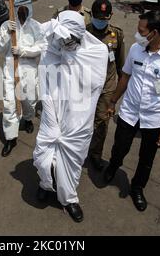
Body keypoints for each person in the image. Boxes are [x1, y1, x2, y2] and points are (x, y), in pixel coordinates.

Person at [103, 11, 160, 212]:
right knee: (119, 147)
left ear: (155, 33)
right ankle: (112, 167)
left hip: (155, 118)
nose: (137, 34)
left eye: (141, 31)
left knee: (146, 159)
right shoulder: (136, 49)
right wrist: (113, 101)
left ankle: (137, 188)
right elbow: (125, 77)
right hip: (129, 112)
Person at [33, 11, 108, 223]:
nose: (66, 44)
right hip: (53, 112)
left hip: (79, 116)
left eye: (70, 40)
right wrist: (51, 121)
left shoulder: (97, 52)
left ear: (80, 35)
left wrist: (69, 61)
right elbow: (45, 89)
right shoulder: (50, 52)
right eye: (62, 40)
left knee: (73, 161)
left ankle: (69, 199)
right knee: (43, 156)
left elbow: (95, 86)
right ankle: (46, 184)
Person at [0, 0, 44, 157]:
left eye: (25, 7)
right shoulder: (6, 25)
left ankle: (28, 119)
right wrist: (8, 33)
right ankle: (11, 137)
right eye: (19, 8)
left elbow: (42, 47)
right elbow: (0, 48)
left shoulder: (36, 26)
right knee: (9, 104)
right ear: (15, 9)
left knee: (29, 101)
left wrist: (25, 51)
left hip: (29, 71)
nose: (22, 11)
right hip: (10, 70)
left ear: (29, 8)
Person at [87, 0, 125, 171]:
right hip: (85, 87)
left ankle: (95, 155)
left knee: (101, 123)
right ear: (91, 16)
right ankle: (79, 151)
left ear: (111, 16)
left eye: (105, 17)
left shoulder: (117, 34)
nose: (101, 20)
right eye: (97, 17)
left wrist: (115, 98)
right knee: (82, 121)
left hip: (106, 88)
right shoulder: (83, 32)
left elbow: (120, 67)